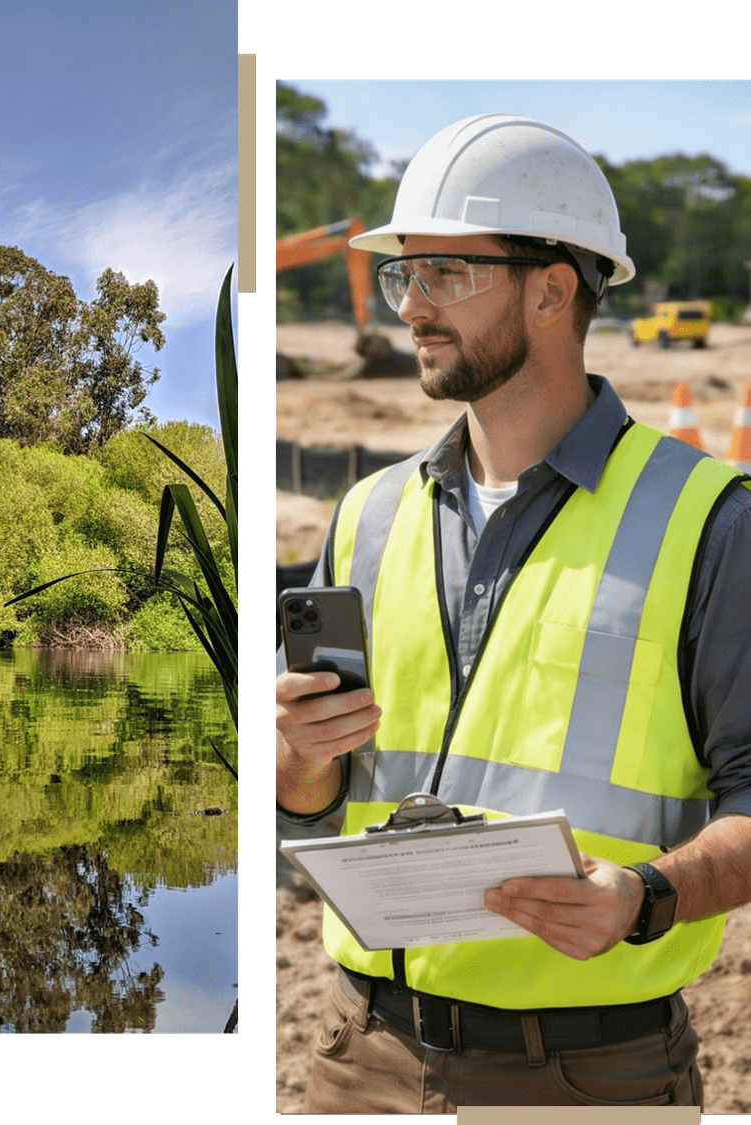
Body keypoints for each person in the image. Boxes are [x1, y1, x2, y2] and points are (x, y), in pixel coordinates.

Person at [275, 113, 751, 1111]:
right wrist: (300, 758)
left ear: (550, 288)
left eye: (444, 272)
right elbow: (311, 796)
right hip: (364, 1051)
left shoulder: (709, 522)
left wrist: (645, 898)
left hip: (585, 1074)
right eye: (404, 276)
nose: (409, 308)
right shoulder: (363, 516)